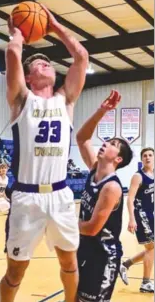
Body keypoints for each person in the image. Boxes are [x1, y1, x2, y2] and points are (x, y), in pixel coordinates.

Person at [0, 4, 88, 302]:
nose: (46, 64)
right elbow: (13, 54)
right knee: (16, 272)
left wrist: (55, 27)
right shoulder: (21, 99)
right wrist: (18, 33)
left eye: (49, 63)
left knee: (69, 262)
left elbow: (81, 57)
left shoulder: (66, 100)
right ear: (29, 77)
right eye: (38, 64)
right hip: (27, 198)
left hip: (61, 196)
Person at [76, 90, 133, 302]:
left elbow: (91, 228)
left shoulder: (112, 187)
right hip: (84, 248)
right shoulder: (93, 169)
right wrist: (103, 111)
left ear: (118, 159)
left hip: (102, 256)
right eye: (107, 141)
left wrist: (64, 223)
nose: (105, 143)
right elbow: (82, 138)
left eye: (111, 145)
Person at [119, 147, 154, 293]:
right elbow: (130, 199)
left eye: (150, 155)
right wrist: (132, 219)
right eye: (145, 156)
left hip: (150, 214)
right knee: (152, 248)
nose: (147, 157)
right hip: (140, 215)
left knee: (151, 248)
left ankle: (125, 265)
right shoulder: (138, 176)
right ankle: (145, 283)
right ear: (142, 159)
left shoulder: (153, 174)